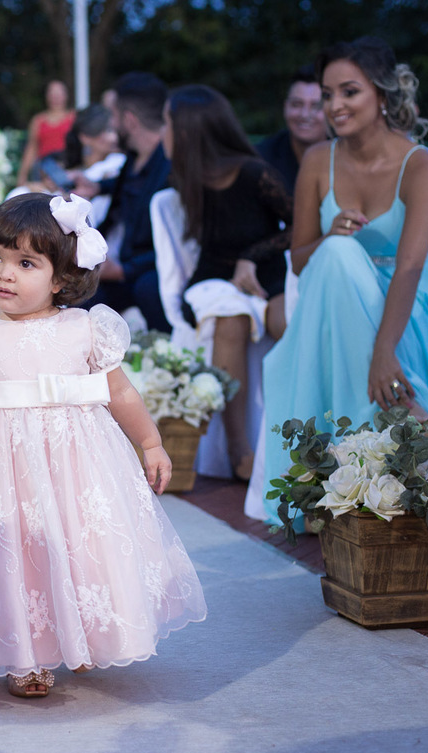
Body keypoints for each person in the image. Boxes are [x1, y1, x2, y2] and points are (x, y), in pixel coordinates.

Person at [0, 193, 206, 697]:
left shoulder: (85, 329)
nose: (4, 275)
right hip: (7, 476)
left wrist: (150, 442)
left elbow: (118, 392)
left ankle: (82, 637)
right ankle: (27, 656)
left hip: (78, 470)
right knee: (23, 558)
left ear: (60, 277)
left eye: (25, 263)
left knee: (81, 550)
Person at [256, 36, 428, 526]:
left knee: (341, 261)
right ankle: (390, 436)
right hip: (334, 301)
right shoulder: (318, 160)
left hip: (408, 308)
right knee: (335, 253)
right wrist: (331, 235)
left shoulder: (420, 165)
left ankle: (363, 467)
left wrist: (385, 351)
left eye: (349, 92)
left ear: (382, 95)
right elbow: (299, 259)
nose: (334, 106)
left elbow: (410, 267)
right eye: (327, 94)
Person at [163, 85, 292, 482]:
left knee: (285, 324)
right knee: (231, 316)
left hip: (264, 275)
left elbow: (301, 226)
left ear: (187, 132)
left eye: (168, 124)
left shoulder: (255, 173)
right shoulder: (188, 178)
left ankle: (299, 442)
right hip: (213, 281)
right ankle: (239, 451)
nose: (163, 132)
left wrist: (250, 258)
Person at [73, 72, 173, 333]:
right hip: (121, 265)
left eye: (113, 117)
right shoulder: (135, 158)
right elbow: (130, 190)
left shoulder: (172, 165)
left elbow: (181, 239)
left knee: (146, 289)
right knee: (74, 295)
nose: (112, 125)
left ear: (129, 120)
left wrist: (123, 270)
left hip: (150, 271)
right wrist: (97, 187)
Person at [255, 65, 328, 194]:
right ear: (285, 107)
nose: (305, 115)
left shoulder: (347, 155)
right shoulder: (261, 159)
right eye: (296, 104)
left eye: (316, 106)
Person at [58, 104, 124, 228]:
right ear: (85, 138)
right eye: (108, 131)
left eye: (114, 130)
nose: (114, 137)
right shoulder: (79, 173)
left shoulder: (117, 164)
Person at [14, 79, 75, 186]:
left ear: (66, 95)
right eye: (52, 94)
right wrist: (22, 176)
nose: (56, 98)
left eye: (59, 94)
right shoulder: (38, 120)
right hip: (43, 171)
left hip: (67, 168)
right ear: (47, 96)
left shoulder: (74, 118)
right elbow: (32, 148)